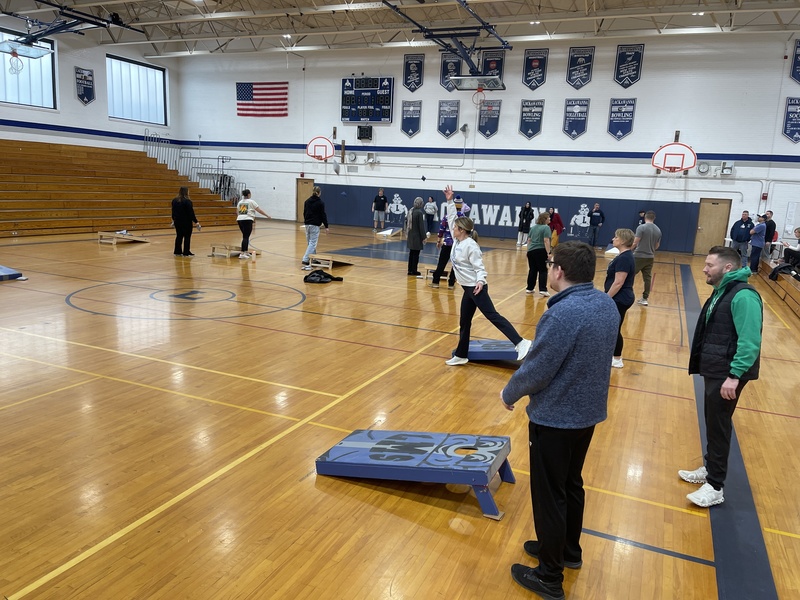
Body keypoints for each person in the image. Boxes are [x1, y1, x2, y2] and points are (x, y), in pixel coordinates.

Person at [500, 241, 618, 600]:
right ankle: (567, 550)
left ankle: (550, 577)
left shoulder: (562, 314)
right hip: (587, 414)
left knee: (550, 495)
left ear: (558, 271)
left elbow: (539, 367)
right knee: (570, 485)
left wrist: (510, 392)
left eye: (550, 264)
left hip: (555, 418)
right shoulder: (606, 304)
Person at [680, 246, 762, 508]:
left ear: (727, 268)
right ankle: (710, 467)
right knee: (713, 422)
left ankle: (715, 486)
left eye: (709, 265)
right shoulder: (722, 291)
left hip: (727, 373)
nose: (704, 269)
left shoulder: (744, 296)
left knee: (719, 425)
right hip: (716, 368)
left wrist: (734, 375)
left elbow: (750, 341)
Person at [446, 215, 531, 366]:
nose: (452, 228)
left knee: (492, 315)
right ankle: (461, 355)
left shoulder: (471, 246)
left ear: (462, 230)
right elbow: (452, 216)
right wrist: (450, 201)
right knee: (464, 321)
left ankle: (520, 342)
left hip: (476, 288)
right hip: (467, 288)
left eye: (455, 227)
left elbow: (479, 267)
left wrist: (480, 281)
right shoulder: (458, 241)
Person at [604, 229, 636, 368]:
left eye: (616, 237)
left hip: (620, 298)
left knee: (614, 328)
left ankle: (617, 358)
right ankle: (610, 355)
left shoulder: (624, 258)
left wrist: (606, 298)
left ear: (622, 241)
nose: (613, 238)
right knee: (611, 327)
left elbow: (618, 282)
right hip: (619, 298)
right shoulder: (623, 256)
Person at [430, 195, 470, 289]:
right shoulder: (463, 218)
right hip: (457, 244)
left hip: (447, 243)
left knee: (441, 263)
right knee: (455, 265)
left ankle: (436, 282)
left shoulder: (447, 216)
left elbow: (441, 229)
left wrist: (438, 240)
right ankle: (451, 283)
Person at [632, 210, 662, 306]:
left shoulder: (641, 227)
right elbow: (657, 246)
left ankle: (626, 295)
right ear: (654, 218)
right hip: (650, 257)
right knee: (647, 278)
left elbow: (635, 242)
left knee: (629, 275)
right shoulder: (658, 230)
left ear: (645, 217)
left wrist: (627, 250)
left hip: (639, 256)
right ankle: (645, 298)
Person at [235, 189, 271, 259]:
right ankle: (242, 253)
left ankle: (245, 251)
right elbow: (259, 210)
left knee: (245, 236)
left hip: (240, 220)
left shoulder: (240, 202)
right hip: (247, 220)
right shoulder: (251, 202)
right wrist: (267, 215)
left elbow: (237, 212)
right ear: (248, 194)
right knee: (246, 237)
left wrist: (240, 218)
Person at [302, 186, 329, 269]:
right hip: (315, 225)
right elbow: (323, 215)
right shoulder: (320, 203)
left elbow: (304, 213)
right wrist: (326, 226)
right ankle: (305, 259)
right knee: (312, 243)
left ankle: (312, 258)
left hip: (307, 224)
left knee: (310, 242)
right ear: (319, 193)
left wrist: (306, 221)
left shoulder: (307, 201)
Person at [526, 211, 552, 297]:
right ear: (545, 219)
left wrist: (528, 250)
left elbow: (529, 240)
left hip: (531, 251)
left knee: (532, 270)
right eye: (548, 217)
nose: (550, 219)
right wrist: (549, 252)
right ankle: (543, 289)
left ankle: (529, 288)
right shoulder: (546, 228)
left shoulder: (533, 228)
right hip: (540, 250)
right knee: (543, 270)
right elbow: (546, 240)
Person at [171, 186, 199, 257]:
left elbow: (173, 211)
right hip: (186, 222)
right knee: (187, 236)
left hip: (177, 221)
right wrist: (196, 221)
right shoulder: (188, 201)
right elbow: (191, 213)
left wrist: (174, 220)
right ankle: (186, 252)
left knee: (179, 236)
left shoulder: (174, 200)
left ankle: (177, 251)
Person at [406, 197, 426, 276]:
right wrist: (424, 237)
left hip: (410, 234)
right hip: (417, 235)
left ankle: (410, 270)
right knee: (416, 254)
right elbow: (421, 226)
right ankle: (414, 270)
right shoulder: (419, 213)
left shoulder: (410, 211)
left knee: (411, 253)